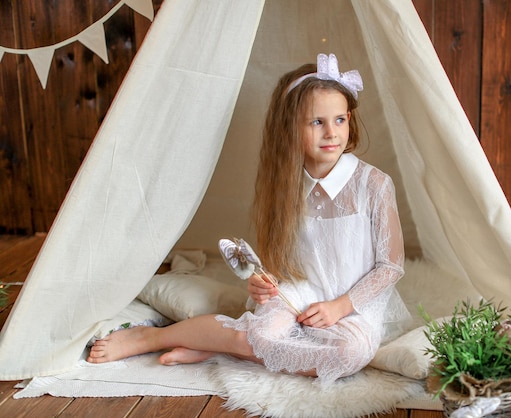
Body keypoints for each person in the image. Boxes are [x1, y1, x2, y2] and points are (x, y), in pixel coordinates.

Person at [87, 53, 411, 386]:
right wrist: (264, 279)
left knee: (350, 354)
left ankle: (218, 346)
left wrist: (340, 307)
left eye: (340, 120)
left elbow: (390, 266)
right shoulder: (287, 183)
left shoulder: (373, 184)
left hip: (354, 302)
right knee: (262, 333)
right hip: (299, 290)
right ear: (290, 127)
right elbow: (281, 256)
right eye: (317, 122)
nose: (331, 132)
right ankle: (150, 337)